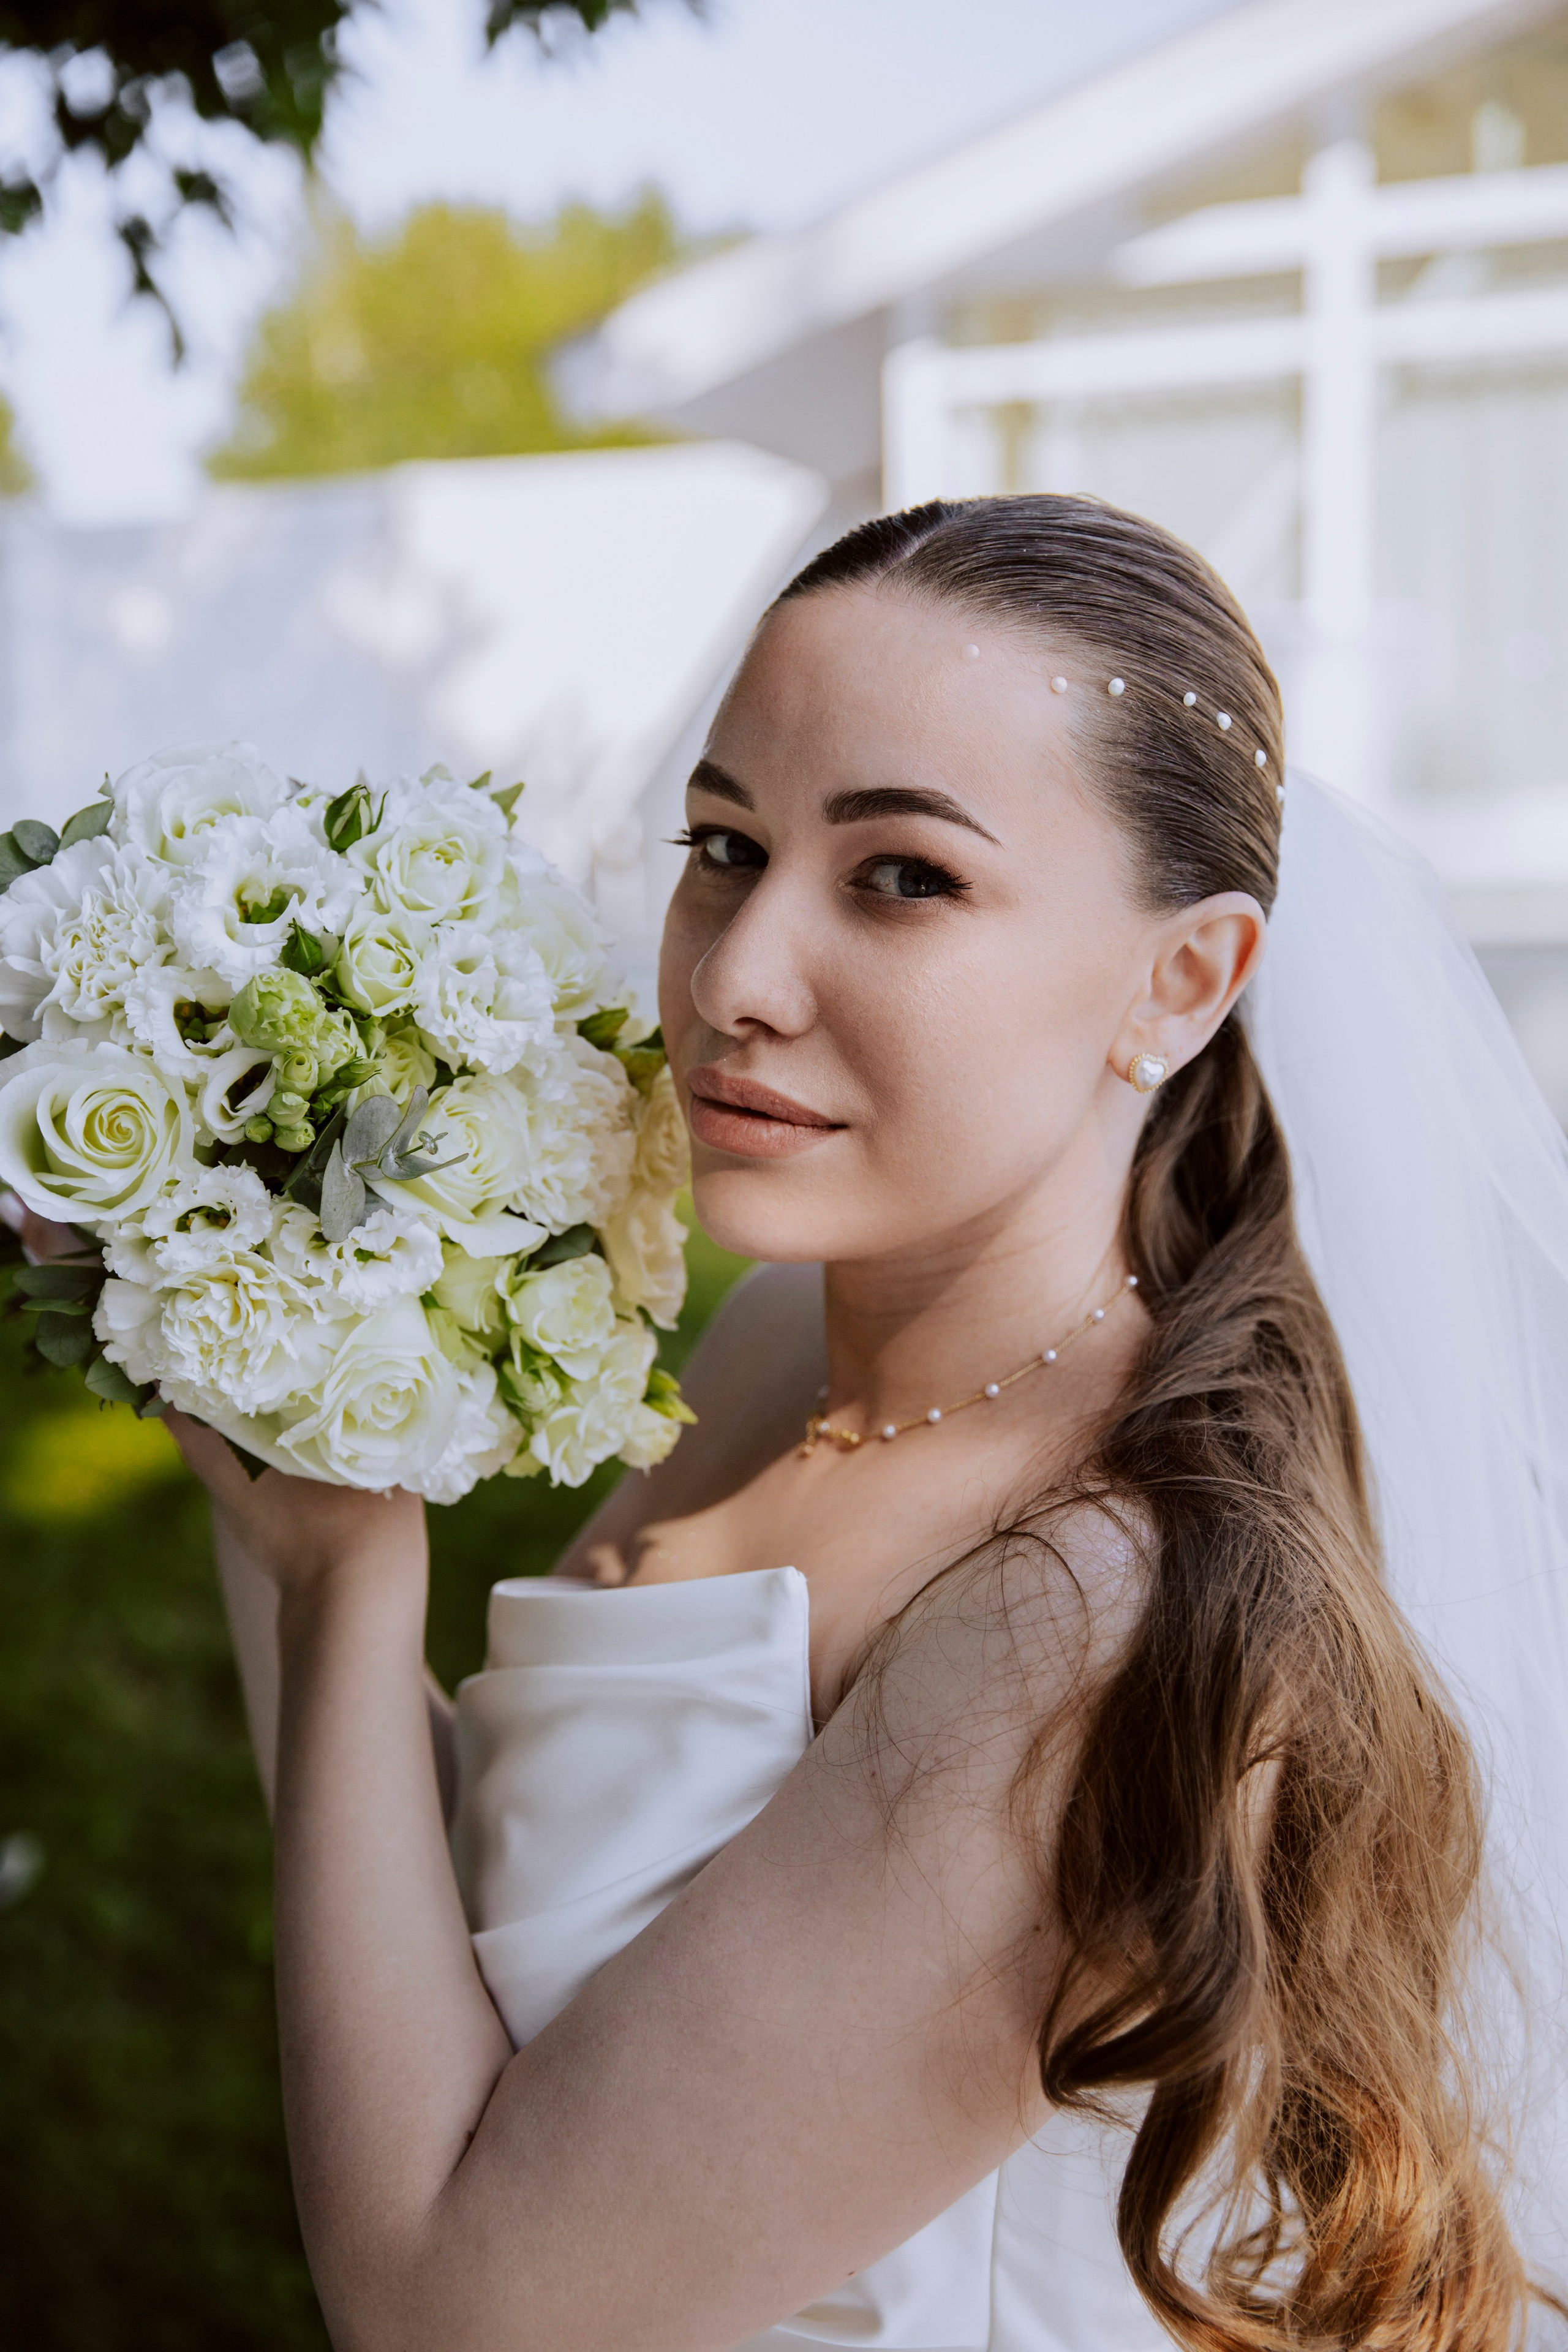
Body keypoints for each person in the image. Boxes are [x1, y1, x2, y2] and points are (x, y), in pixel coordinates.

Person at [64, 496, 1568, 2348]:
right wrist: (258, 1386)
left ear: (1182, 982)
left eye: (902, 877)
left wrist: (360, 1582)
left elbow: (459, 2307)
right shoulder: (792, 1344)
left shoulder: (1080, 1614)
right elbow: (485, 1919)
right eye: (725, 844)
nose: (729, 979)